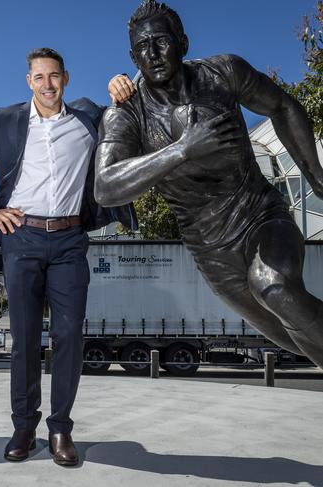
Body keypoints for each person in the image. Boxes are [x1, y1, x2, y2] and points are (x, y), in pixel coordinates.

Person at [95, 0, 323, 369]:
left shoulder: (222, 73)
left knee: (275, 286)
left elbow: (281, 106)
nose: (152, 54)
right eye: (142, 48)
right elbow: (105, 186)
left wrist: (314, 173)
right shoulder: (126, 114)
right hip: (211, 251)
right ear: (132, 56)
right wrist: (182, 150)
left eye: (161, 42)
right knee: (292, 334)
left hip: (259, 216)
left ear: (182, 43)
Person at [0, 48, 136, 466]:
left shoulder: (89, 116)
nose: (47, 84)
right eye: (39, 77)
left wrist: (121, 88)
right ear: (29, 81)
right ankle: (24, 427)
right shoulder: (5, 119)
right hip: (21, 238)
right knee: (23, 340)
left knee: (69, 337)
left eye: (54, 76)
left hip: (71, 238)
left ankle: (60, 429)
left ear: (66, 79)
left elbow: (126, 118)